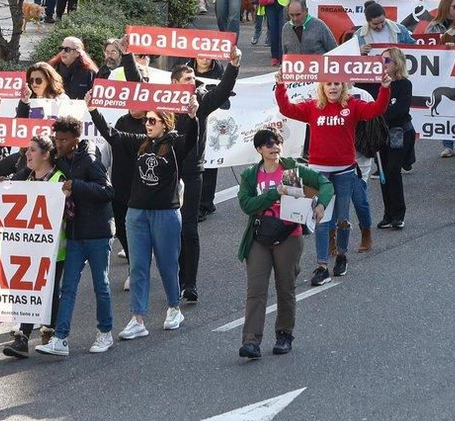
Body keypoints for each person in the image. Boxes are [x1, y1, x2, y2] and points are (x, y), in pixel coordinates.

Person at [273, 70, 391, 287]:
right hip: (319, 172)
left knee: (342, 218)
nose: (333, 87)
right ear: (322, 87)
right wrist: (281, 85)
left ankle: (342, 256)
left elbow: (377, 109)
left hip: (345, 170)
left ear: (343, 86)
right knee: (321, 218)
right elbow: (287, 108)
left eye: (337, 83)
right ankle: (322, 266)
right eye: (328, 84)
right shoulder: (312, 107)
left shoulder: (353, 105)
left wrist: (384, 88)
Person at [90, 106, 186, 339]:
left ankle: (174, 308)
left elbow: (193, 136)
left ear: (165, 123)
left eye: (153, 120)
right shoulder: (141, 142)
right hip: (136, 212)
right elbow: (112, 134)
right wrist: (93, 110)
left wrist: (193, 117)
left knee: (167, 264)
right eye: (147, 120)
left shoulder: (175, 144)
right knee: (138, 266)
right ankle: (138, 318)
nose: (147, 124)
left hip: (165, 212)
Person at [236, 129, 332, 359]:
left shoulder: (290, 169)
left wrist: (321, 204)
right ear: (259, 149)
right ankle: (251, 341)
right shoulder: (251, 175)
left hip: (289, 234)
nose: (275, 147)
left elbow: (325, 184)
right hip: (260, 236)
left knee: (285, 287)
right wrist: (274, 194)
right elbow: (247, 205)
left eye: (278, 142)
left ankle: (284, 335)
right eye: (269, 144)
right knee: (256, 290)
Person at [37, 121, 117, 357]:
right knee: (68, 287)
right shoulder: (60, 159)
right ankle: (60, 338)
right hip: (75, 234)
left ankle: (105, 332)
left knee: (101, 285)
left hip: (98, 232)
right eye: (57, 139)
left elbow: (108, 191)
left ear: (75, 140)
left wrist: (77, 186)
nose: (59, 144)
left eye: (63, 140)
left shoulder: (90, 159)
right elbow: (30, 168)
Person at [171, 48, 239, 302]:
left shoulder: (201, 102)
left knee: (189, 229)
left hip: (192, 174)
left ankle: (190, 283)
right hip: (168, 175)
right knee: (171, 231)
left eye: (193, 79)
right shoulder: (162, 102)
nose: (192, 83)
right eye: (187, 79)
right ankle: (175, 278)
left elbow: (223, 90)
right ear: (174, 83)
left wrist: (234, 66)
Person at [0, 134, 70, 357]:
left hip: (53, 249)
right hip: (28, 249)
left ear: (46, 154)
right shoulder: (25, 181)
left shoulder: (59, 180)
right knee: (29, 289)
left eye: (32, 150)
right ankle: (24, 337)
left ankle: (50, 330)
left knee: (50, 292)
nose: (27, 154)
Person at [375, 48, 415, 231]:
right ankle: (388, 214)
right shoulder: (376, 83)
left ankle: (398, 214)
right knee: (383, 172)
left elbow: (401, 109)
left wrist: (379, 112)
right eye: (381, 60)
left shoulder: (404, 84)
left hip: (399, 132)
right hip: (381, 132)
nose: (383, 64)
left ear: (397, 63)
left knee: (393, 170)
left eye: (387, 60)